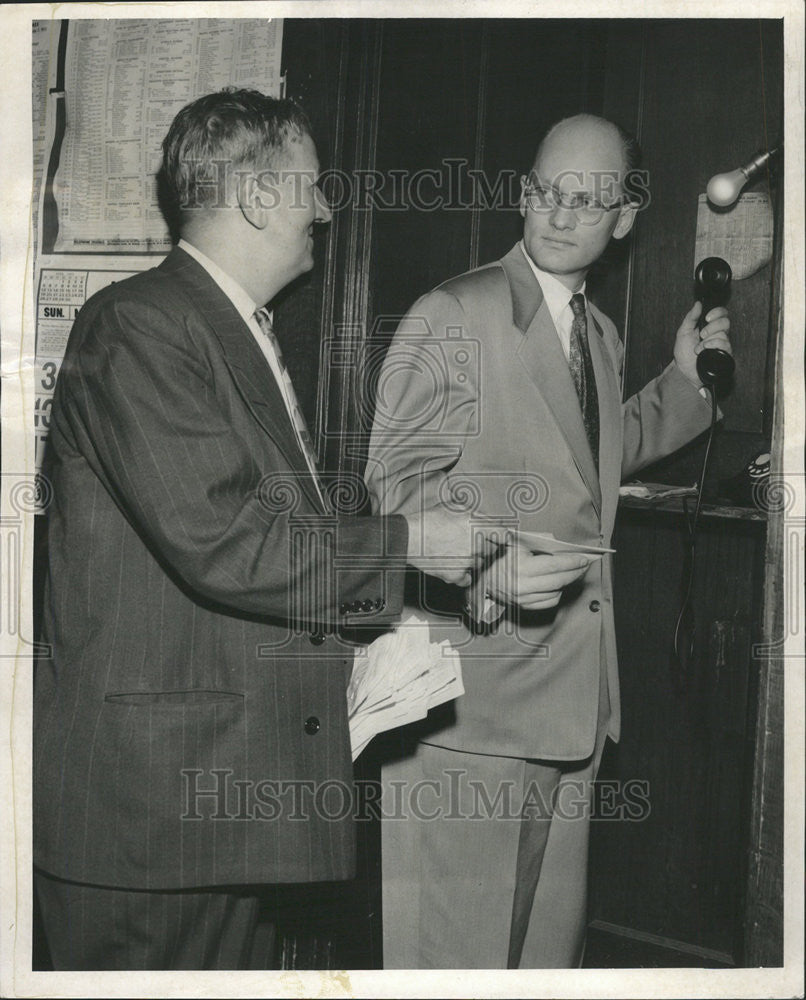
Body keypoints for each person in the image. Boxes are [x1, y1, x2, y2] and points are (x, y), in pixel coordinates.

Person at [32, 88, 578, 971]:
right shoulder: (139, 326)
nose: (325, 209)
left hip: (222, 808)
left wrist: (442, 569)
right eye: (312, 186)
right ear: (255, 198)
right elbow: (226, 542)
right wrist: (408, 543)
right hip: (154, 821)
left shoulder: (224, 328)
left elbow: (274, 544)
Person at [365, 113, 732, 969]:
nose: (562, 215)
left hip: (573, 712)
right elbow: (395, 488)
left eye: (590, 199)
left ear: (626, 216)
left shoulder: (593, 332)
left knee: (536, 967)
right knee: (451, 968)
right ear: (525, 195)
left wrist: (684, 383)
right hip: (473, 712)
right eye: (546, 192)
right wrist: (492, 567)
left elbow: (589, 464)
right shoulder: (455, 311)